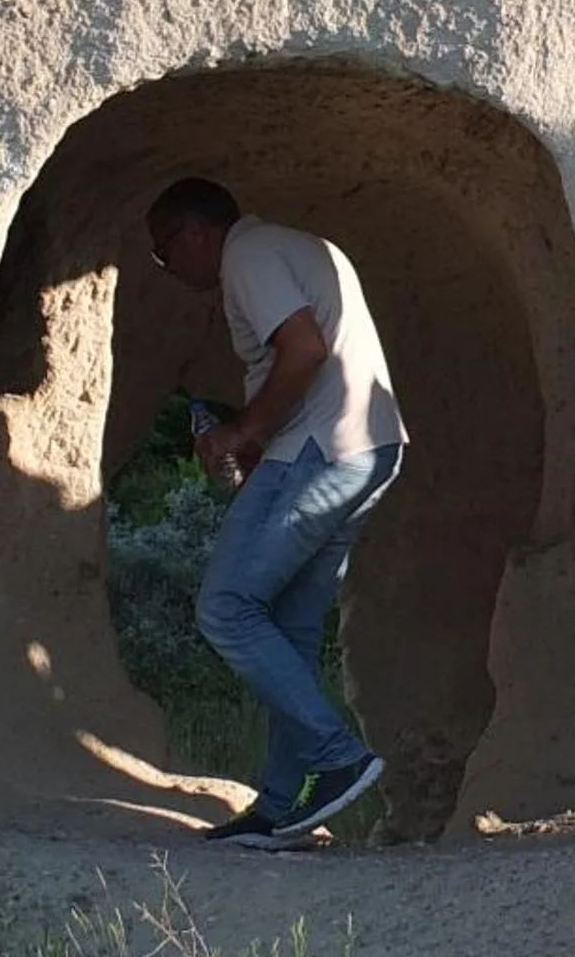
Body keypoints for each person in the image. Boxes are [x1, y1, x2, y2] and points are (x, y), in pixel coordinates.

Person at [143, 177, 407, 849]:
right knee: (287, 628)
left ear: (196, 232)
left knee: (226, 607)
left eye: (163, 250)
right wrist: (255, 434)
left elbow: (306, 348)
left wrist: (241, 433)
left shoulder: (248, 254)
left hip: (322, 450)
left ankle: (337, 754)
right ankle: (284, 809)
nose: (167, 267)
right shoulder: (293, 246)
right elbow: (311, 351)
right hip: (364, 449)